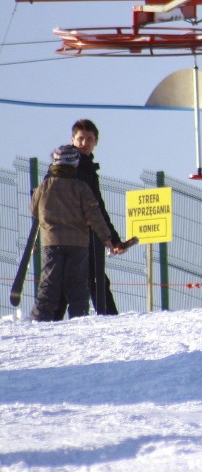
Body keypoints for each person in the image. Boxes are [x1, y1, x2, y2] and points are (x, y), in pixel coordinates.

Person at [30, 145, 115, 321]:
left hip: (51, 242)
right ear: (75, 164)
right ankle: (79, 317)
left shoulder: (44, 186)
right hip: (78, 244)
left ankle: (39, 318)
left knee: (49, 283)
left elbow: (33, 210)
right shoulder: (81, 188)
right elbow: (94, 214)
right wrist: (106, 237)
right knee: (77, 284)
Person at [58, 119, 126, 319]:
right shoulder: (69, 165)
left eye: (89, 139)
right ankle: (109, 317)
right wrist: (109, 237)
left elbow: (98, 206)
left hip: (83, 231)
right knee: (91, 278)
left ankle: (51, 319)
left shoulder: (86, 167)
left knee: (86, 278)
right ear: (73, 139)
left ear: (96, 141)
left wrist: (111, 237)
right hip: (77, 231)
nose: (84, 143)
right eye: (81, 138)